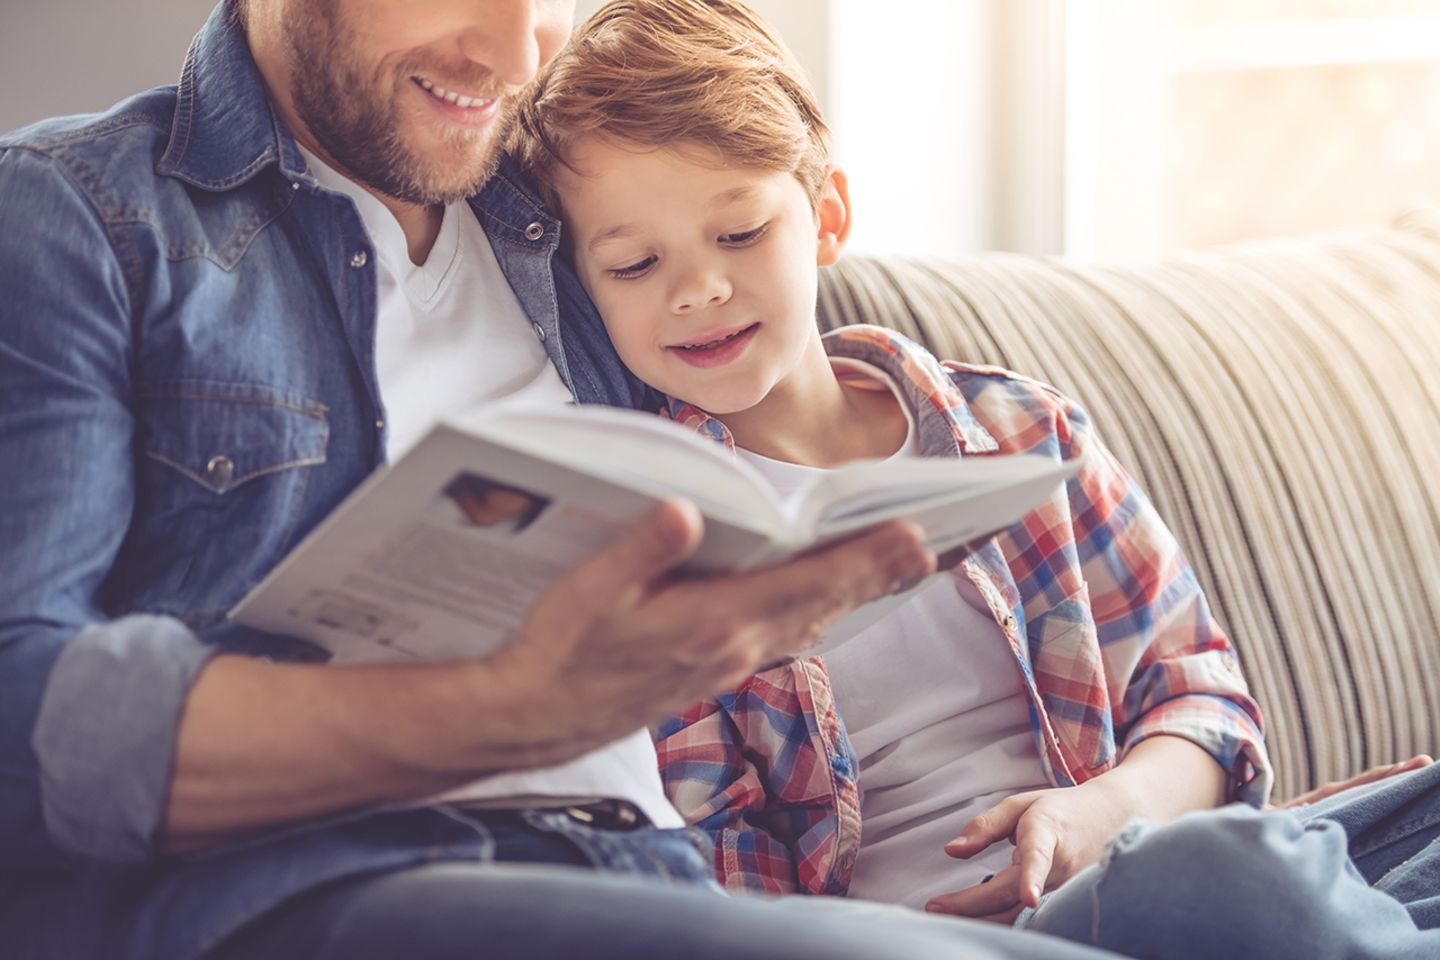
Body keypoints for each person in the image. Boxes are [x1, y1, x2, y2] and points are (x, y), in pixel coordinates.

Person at [0, 2, 1127, 960]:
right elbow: (18, 713)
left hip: (657, 869)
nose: (519, 52)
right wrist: (511, 711)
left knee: (1246, 874)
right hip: (337, 881)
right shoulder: (80, 218)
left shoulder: (571, 217)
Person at [507, 0, 1440, 956]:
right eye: (634, 264)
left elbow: (1203, 705)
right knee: (1237, 877)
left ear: (826, 217)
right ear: (585, 288)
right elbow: (720, 878)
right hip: (944, 933)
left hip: (1138, 853)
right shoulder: (654, 550)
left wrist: (1103, 813)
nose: (697, 287)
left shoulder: (1022, 432)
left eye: (739, 234)